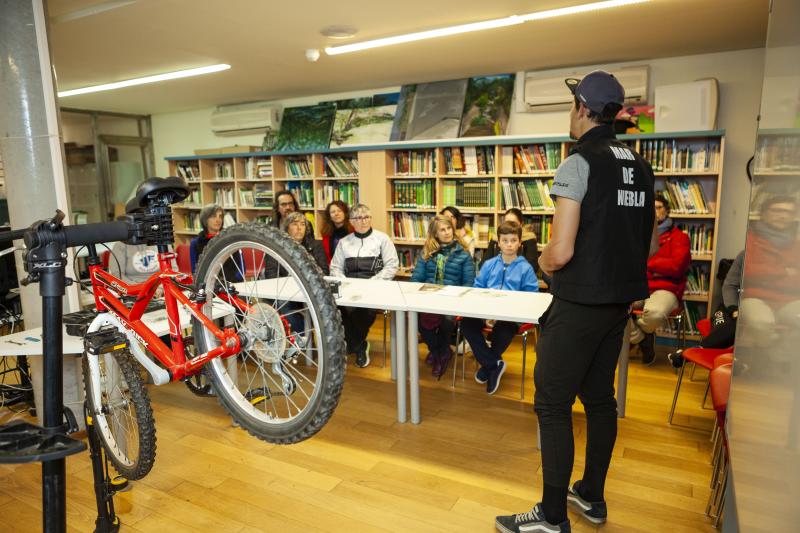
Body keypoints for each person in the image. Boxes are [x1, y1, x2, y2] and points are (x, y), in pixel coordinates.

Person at [496, 71, 656, 533]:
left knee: (552, 405)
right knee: (600, 400)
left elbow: (561, 252)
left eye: (572, 105)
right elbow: (644, 250)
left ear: (583, 108)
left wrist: (541, 259)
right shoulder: (641, 167)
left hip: (579, 302)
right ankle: (591, 495)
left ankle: (550, 518)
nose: (571, 113)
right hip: (617, 306)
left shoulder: (578, 162)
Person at [461, 221, 539, 394]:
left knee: (504, 329)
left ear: (520, 243)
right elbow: (478, 288)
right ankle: (494, 364)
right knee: (467, 324)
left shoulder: (525, 268)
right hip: (485, 312)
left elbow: (531, 295)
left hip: (511, 316)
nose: (509, 244)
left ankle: (488, 366)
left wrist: (506, 311)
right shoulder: (489, 265)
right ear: (498, 243)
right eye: (505, 240)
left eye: (513, 240)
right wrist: (486, 311)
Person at [330, 204, 399, 367]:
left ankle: (354, 344)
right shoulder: (344, 242)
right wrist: (345, 283)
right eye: (359, 218)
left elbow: (392, 265)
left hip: (373, 286)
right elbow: (335, 267)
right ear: (352, 221)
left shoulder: (382, 239)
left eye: (367, 217)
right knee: (338, 310)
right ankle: (360, 345)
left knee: (364, 313)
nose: (364, 221)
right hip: (349, 287)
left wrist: (373, 283)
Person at [410, 215, 475, 378]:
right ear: (435, 234)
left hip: (452, 300)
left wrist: (456, 295)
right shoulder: (427, 252)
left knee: (446, 320)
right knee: (416, 318)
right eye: (442, 230)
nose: (447, 233)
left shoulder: (463, 254)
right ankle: (442, 351)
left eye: (449, 229)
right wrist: (419, 291)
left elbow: (469, 283)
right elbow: (416, 278)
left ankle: (439, 353)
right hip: (429, 298)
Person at [630, 194, 691, 364]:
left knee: (655, 314)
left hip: (666, 288)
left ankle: (638, 336)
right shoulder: (638, 234)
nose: (654, 212)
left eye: (658, 207)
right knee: (614, 307)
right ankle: (642, 339)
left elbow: (677, 268)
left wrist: (647, 263)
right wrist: (659, 267)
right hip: (639, 285)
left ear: (667, 211)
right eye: (650, 208)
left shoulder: (680, 237)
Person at [736, 195, 800, 353]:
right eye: (777, 210)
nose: (782, 216)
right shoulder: (749, 239)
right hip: (754, 297)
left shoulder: (796, 244)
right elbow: (748, 272)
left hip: (789, 299)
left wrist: (766, 273)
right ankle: (772, 357)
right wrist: (783, 271)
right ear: (764, 213)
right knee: (761, 322)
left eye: (788, 212)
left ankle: (776, 360)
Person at [190, 204, 224, 273]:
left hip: (230, 281)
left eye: (220, 217)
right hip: (206, 282)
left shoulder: (230, 237)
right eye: (214, 216)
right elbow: (195, 271)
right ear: (205, 220)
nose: (218, 220)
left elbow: (241, 268)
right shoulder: (196, 243)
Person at [320, 200, 354, 264]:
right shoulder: (326, 233)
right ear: (330, 217)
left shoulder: (354, 231)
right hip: (333, 269)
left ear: (345, 213)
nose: (336, 214)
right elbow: (328, 257)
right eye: (333, 212)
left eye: (339, 211)